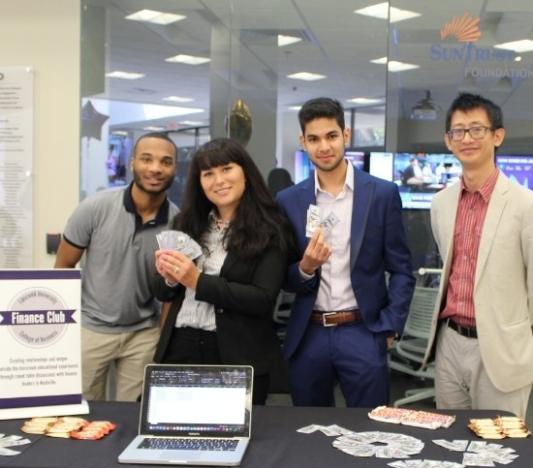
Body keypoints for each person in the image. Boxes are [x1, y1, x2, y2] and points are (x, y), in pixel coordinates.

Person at [277, 97, 415, 407]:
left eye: (331, 136)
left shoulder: (381, 194)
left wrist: (390, 324)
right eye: (313, 139)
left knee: (371, 431)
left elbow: (403, 269)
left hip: (363, 331)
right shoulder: (289, 201)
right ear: (303, 142)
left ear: (346, 135)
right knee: (309, 430)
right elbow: (283, 276)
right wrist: (305, 268)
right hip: (309, 333)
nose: (323, 146)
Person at [152, 137, 293, 405]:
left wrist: (197, 281)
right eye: (208, 174)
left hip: (236, 351)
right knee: (177, 434)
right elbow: (161, 291)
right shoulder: (186, 222)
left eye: (226, 169)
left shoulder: (271, 229)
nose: (218, 181)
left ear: (246, 174)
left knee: (233, 439)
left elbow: (262, 300)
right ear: (200, 183)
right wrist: (170, 279)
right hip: (180, 344)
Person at [424, 92, 533, 418]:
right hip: (451, 342)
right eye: (458, 131)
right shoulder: (440, 204)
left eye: (476, 129)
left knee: (501, 451)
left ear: (497, 135)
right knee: (449, 443)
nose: (466, 138)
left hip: (501, 347)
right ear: (448, 140)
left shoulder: (524, 205)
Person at [55, 132, 179, 401]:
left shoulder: (177, 222)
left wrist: (162, 336)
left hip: (143, 335)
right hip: (90, 330)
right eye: (146, 159)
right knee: (81, 414)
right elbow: (63, 265)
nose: (156, 168)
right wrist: (65, 330)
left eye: (165, 162)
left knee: (133, 418)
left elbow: (172, 289)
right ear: (132, 162)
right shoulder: (94, 208)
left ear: (174, 169)